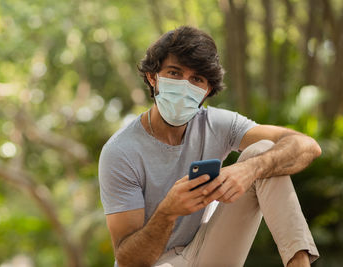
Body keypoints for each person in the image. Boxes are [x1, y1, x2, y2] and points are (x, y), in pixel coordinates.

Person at [98, 26, 321, 267]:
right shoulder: (121, 151)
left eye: (196, 79)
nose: (184, 86)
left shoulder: (216, 124)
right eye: (174, 73)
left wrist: (250, 169)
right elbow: (128, 259)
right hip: (154, 262)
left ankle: (299, 263)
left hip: (207, 251)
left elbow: (307, 145)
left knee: (262, 152)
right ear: (153, 77)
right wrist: (168, 212)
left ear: (207, 91)